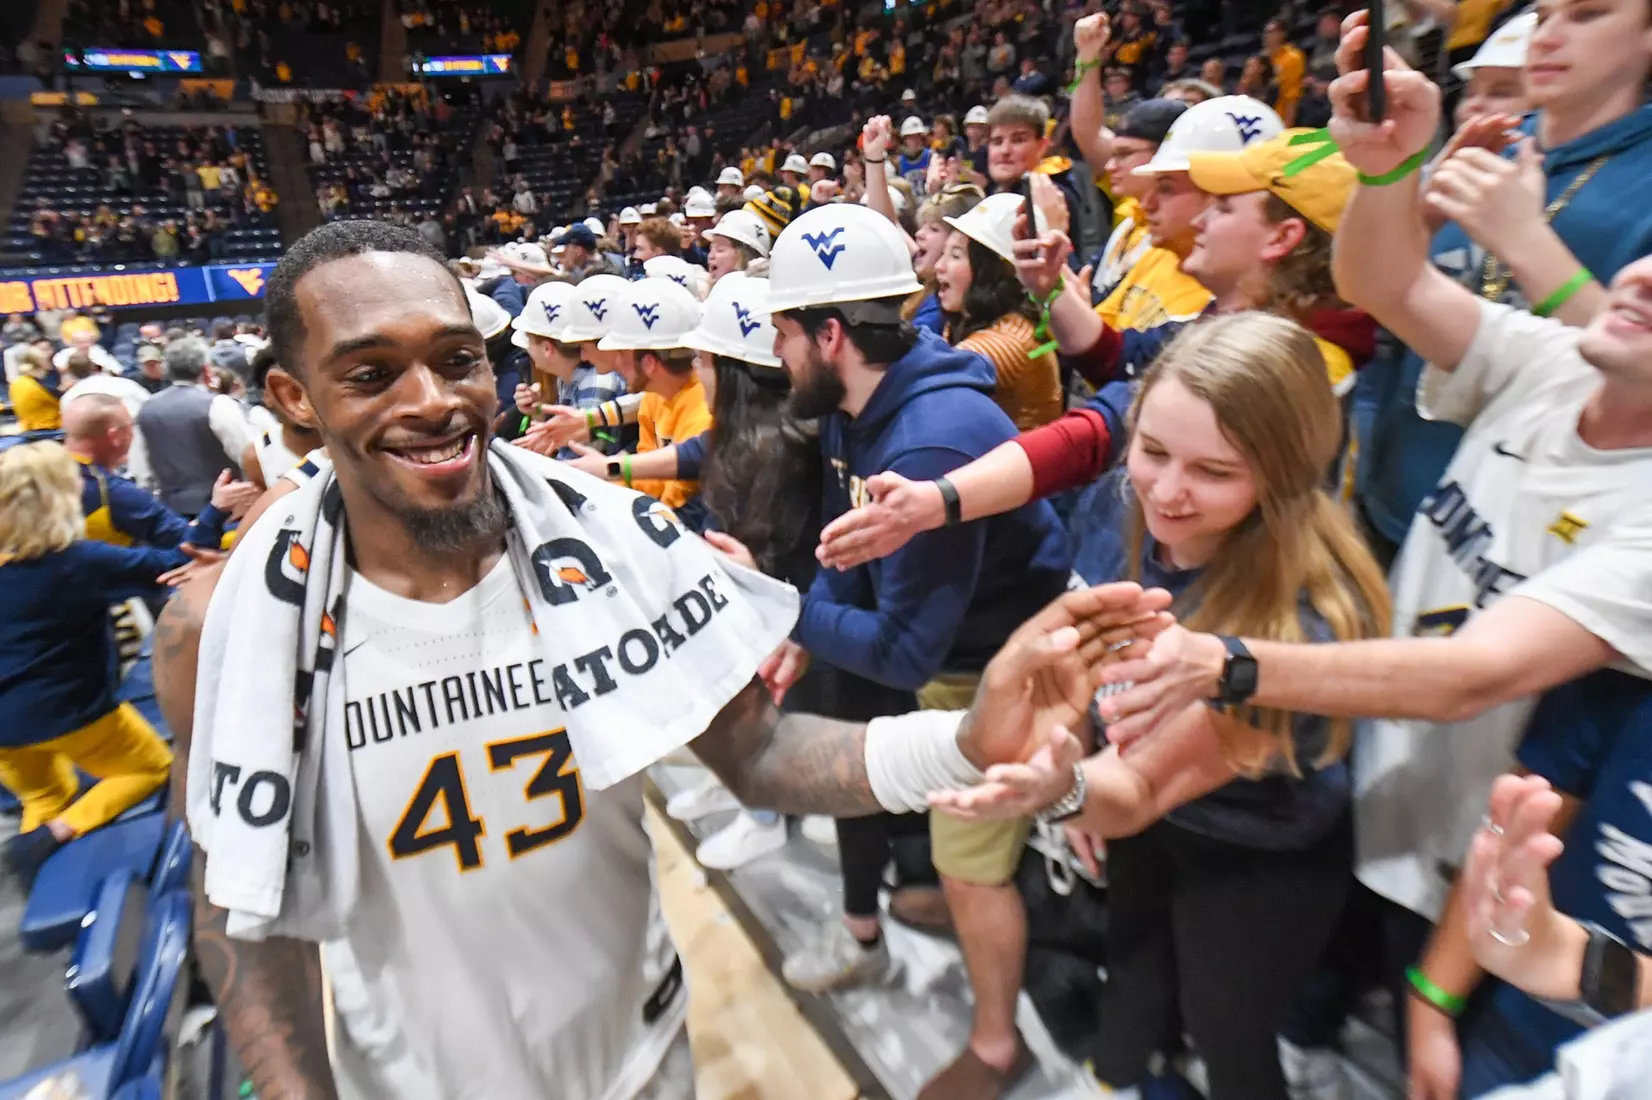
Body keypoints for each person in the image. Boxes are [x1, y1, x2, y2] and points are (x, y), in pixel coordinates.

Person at [151, 219, 1168, 1100]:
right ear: (292, 396)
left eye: (457, 359)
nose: (433, 400)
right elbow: (241, 895)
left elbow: (760, 755)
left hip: (647, 1054)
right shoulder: (218, 627)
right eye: (371, 373)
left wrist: (963, 741)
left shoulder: (609, 538)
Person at [1087, 14, 1652, 1033]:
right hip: (1383, 742)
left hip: (1490, 805)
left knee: (1420, 1009)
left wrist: (1227, 661)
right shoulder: (1552, 360)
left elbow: (1468, 676)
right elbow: (1386, 284)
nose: (1637, 275)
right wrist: (1390, 169)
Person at [930, 312, 1391, 1100]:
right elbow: (1093, 655)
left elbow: (1145, 784)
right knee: (1132, 974)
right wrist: (1078, 757)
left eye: (1214, 471)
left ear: (1284, 472)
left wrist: (1069, 789)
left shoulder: (1303, 621)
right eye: (1152, 451)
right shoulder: (1120, 504)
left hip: (1258, 849)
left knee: (1228, 1032)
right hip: (1148, 821)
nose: (1167, 492)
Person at [766, 203, 1074, 1099]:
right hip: (962, 651)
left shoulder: (929, 438)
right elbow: (844, 549)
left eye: (784, 333)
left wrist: (782, 614)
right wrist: (807, 624)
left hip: (1001, 667)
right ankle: (967, 873)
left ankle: (996, 1047)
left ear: (830, 335)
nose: (775, 353)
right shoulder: (854, 402)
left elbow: (905, 653)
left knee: (969, 869)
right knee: (946, 839)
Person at [1355, 0, 1652, 564]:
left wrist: (1526, 243)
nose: (1547, 37)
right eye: (1543, 17)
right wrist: (1402, 196)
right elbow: (1375, 289)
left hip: (1537, 550)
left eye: (1587, 15)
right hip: (1398, 495)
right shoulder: (1498, 140)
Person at [1406, 670, 1652, 1097]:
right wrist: (1432, 1001)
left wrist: (1567, 959)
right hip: (1521, 1024)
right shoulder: (1625, 680)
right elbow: (1511, 839)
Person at [0, 441, 180, 885]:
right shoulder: (77, 562)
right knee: (151, 766)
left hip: (6, 733)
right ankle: (61, 831)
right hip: (72, 714)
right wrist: (215, 514)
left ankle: (41, 867)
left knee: (46, 796)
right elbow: (171, 560)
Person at [933, 193, 1063, 430]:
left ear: (991, 271)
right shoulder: (968, 321)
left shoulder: (1011, 341)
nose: (938, 266)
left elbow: (925, 385)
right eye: (944, 253)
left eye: (955, 256)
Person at [62, 395, 244, 550]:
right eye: (129, 426)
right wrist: (220, 508)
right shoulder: (115, 494)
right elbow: (190, 542)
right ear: (115, 436)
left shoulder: (48, 472)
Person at [595, 278, 712, 510]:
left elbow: (676, 505)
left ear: (649, 363)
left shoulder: (702, 413)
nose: (616, 362)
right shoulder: (654, 395)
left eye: (621, 352)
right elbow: (646, 483)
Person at [508, 281, 627, 453]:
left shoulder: (595, 383)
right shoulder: (566, 378)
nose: (527, 350)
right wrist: (538, 410)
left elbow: (575, 459)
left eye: (529, 342)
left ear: (547, 349)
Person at [137, 338, 251, 517]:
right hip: (224, 511)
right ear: (206, 369)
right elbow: (247, 454)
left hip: (170, 512)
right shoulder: (218, 404)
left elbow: (142, 470)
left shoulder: (146, 407)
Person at [8, 345, 62, 431]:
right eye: (46, 359)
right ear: (40, 362)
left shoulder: (18, 382)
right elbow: (62, 401)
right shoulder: (38, 385)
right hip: (47, 429)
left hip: (27, 428)